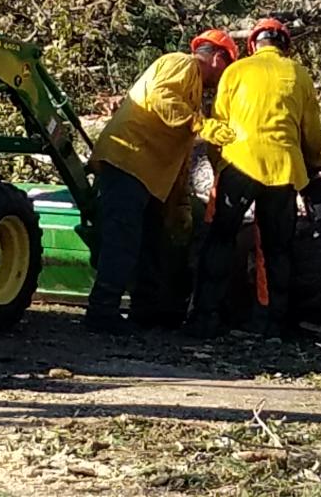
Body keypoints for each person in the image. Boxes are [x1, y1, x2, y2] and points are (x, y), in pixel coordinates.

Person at [84, 30, 240, 334]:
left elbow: (178, 152)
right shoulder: (181, 63)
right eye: (226, 69)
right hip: (129, 159)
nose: (222, 79)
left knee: (151, 243)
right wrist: (202, 124)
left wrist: (178, 200)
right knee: (123, 240)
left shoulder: (193, 89)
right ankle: (101, 312)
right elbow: (160, 97)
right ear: (218, 58)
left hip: (148, 173)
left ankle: (145, 313)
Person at [190, 18, 321, 339]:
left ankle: (205, 318)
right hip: (283, 170)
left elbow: (218, 124)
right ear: (285, 45)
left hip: (239, 164)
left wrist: (218, 166)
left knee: (220, 238)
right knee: (276, 249)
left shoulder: (236, 71)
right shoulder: (299, 74)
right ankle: (270, 323)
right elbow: (312, 132)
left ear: (252, 45)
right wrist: (315, 168)